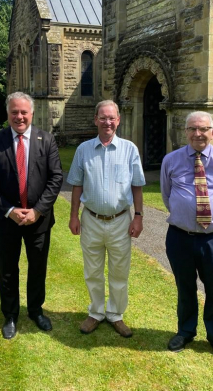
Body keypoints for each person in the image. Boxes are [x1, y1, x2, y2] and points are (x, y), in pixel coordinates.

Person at [160, 111, 213, 368]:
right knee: (185, 288)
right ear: (186, 132)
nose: (198, 134)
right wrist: (186, 215)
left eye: (204, 129)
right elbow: (166, 195)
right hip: (180, 237)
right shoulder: (170, 161)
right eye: (193, 129)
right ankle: (185, 332)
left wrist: (212, 222)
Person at [0, 92, 63, 339]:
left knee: (38, 267)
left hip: (38, 220)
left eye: (23, 112)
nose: (19, 116)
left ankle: (36, 311)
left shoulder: (46, 140)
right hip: (6, 219)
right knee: (7, 268)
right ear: (8, 113)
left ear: (32, 113)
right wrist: (8, 210)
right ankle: (10, 315)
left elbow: (56, 177)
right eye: (14, 112)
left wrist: (38, 211)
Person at [67, 100, 145, 337]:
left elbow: (137, 186)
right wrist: (74, 216)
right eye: (103, 117)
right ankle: (96, 312)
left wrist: (138, 217)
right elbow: (77, 186)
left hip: (121, 220)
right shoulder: (83, 150)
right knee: (93, 271)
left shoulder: (130, 149)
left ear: (118, 120)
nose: (107, 122)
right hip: (91, 219)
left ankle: (115, 314)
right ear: (95, 120)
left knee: (119, 271)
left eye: (112, 118)